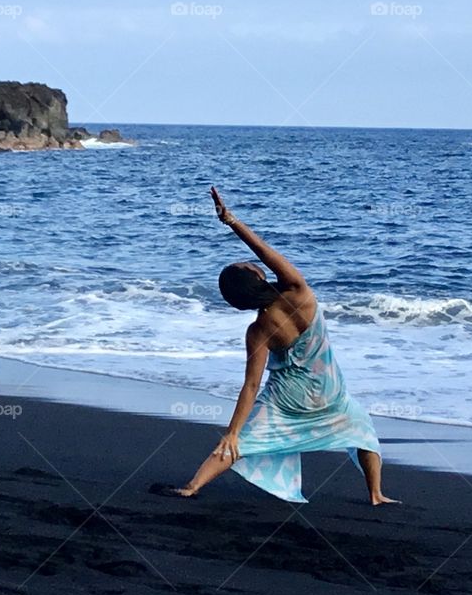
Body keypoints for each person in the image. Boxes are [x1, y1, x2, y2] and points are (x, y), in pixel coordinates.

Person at [153, 187, 397, 505]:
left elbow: (252, 384)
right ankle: (376, 494)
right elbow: (265, 251)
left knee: (244, 441)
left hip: (287, 399)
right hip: (328, 390)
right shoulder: (298, 292)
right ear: (255, 275)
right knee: (362, 429)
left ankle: (193, 486)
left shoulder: (258, 330)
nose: (253, 264)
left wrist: (233, 430)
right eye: (248, 265)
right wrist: (231, 221)